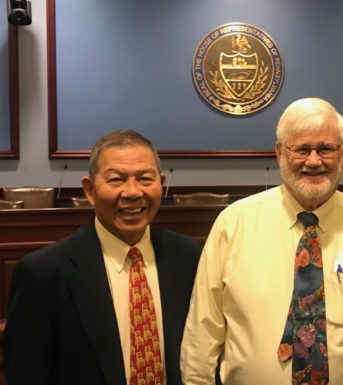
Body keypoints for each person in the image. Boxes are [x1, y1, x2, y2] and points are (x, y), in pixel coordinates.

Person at [180, 97, 343, 385]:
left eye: (325, 149)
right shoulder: (233, 224)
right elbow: (202, 333)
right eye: (301, 149)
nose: (313, 161)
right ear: (280, 153)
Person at [3, 129, 202, 385]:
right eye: (116, 179)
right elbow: (26, 375)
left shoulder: (189, 256)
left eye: (145, 178)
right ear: (89, 190)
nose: (132, 192)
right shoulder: (42, 272)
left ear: (161, 185)